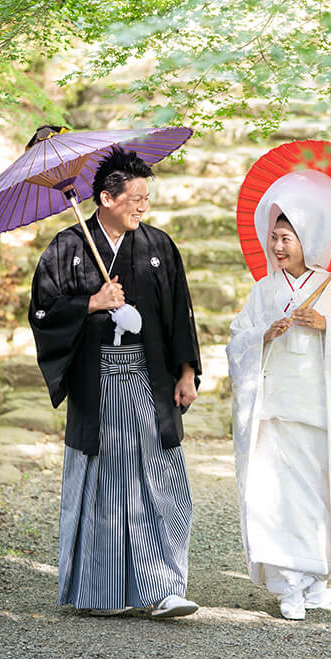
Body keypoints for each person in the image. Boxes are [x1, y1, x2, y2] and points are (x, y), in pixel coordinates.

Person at [29, 145, 202, 617]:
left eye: (147, 198)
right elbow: (42, 311)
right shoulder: (68, 247)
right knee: (103, 478)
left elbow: (179, 313)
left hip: (149, 381)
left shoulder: (158, 247)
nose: (143, 207)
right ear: (106, 198)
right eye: (135, 198)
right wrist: (92, 302)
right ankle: (99, 590)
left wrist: (186, 371)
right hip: (98, 383)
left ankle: (163, 588)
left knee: (156, 478)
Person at [227, 169, 331, 620]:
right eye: (274, 237)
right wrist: (263, 336)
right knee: (277, 499)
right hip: (274, 412)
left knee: (316, 497)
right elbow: (237, 339)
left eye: (287, 237)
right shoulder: (264, 290)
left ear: (306, 238)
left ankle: (314, 579)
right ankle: (288, 585)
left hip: (316, 410)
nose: (278, 246)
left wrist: (327, 325)